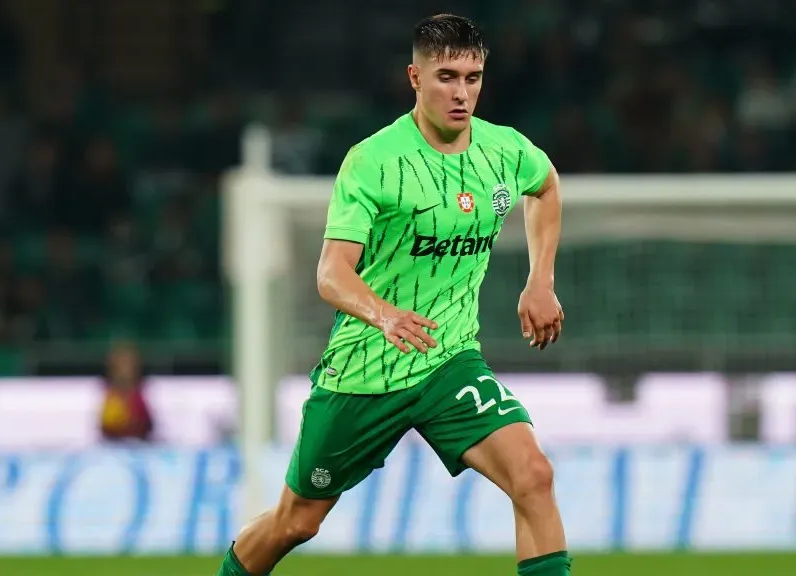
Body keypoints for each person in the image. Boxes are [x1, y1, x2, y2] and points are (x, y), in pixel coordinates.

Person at [216, 14, 569, 576]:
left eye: (473, 78)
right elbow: (331, 273)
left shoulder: (504, 151)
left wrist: (540, 278)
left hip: (447, 359)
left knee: (533, 475)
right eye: (446, 77)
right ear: (414, 77)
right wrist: (383, 316)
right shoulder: (374, 161)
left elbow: (545, 186)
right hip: (365, 370)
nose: (461, 93)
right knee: (296, 522)